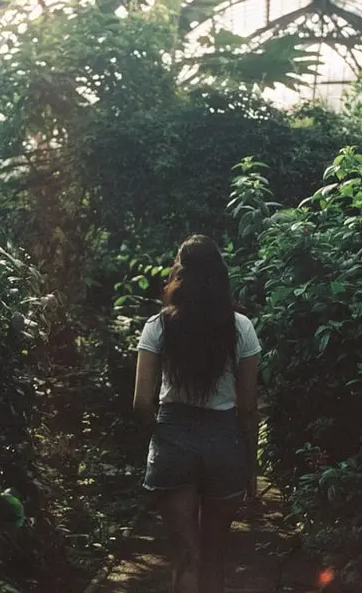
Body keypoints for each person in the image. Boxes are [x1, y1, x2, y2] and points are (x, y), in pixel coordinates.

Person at [132, 234, 261, 593]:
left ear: (179, 274)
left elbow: (142, 403)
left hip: (174, 438)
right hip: (223, 442)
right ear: (220, 276)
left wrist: (158, 441)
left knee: (186, 556)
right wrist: (250, 466)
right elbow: (248, 408)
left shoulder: (158, 326)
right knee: (215, 557)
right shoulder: (241, 328)